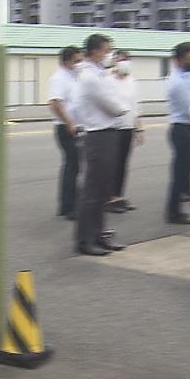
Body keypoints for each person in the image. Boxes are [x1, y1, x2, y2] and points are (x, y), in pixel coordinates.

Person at [72, 33, 128, 256]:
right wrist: (123, 108)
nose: (110, 55)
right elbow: (113, 105)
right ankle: (85, 240)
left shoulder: (100, 74)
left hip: (107, 133)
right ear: (95, 51)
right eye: (107, 50)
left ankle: (100, 234)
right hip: (98, 135)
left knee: (103, 190)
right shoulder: (90, 77)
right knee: (93, 191)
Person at [164, 41, 190, 225]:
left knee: (183, 172)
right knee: (180, 173)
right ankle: (173, 212)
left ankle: (176, 208)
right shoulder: (177, 82)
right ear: (179, 59)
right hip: (182, 128)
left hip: (188, 128)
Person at [46, 46, 82, 220]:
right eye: (76, 61)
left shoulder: (72, 77)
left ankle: (70, 204)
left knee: (74, 167)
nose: (79, 64)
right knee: (71, 166)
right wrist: (69, 123)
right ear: (66, 61)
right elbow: (54, 103)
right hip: (67, 128)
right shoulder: (59, 78)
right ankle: (69, 207)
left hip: (75, 126)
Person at [108, 50, 142, 213]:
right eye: (121, 60)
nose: (124, 63)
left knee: (123, 163)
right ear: (114, 61)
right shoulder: (108, 79)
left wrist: (139, 128)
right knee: (112, 164)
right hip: (113, 127)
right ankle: (109, 198)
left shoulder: (131, 81)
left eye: (127, 60)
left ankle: (119, 196)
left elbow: (135, 106)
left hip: (128, 127)